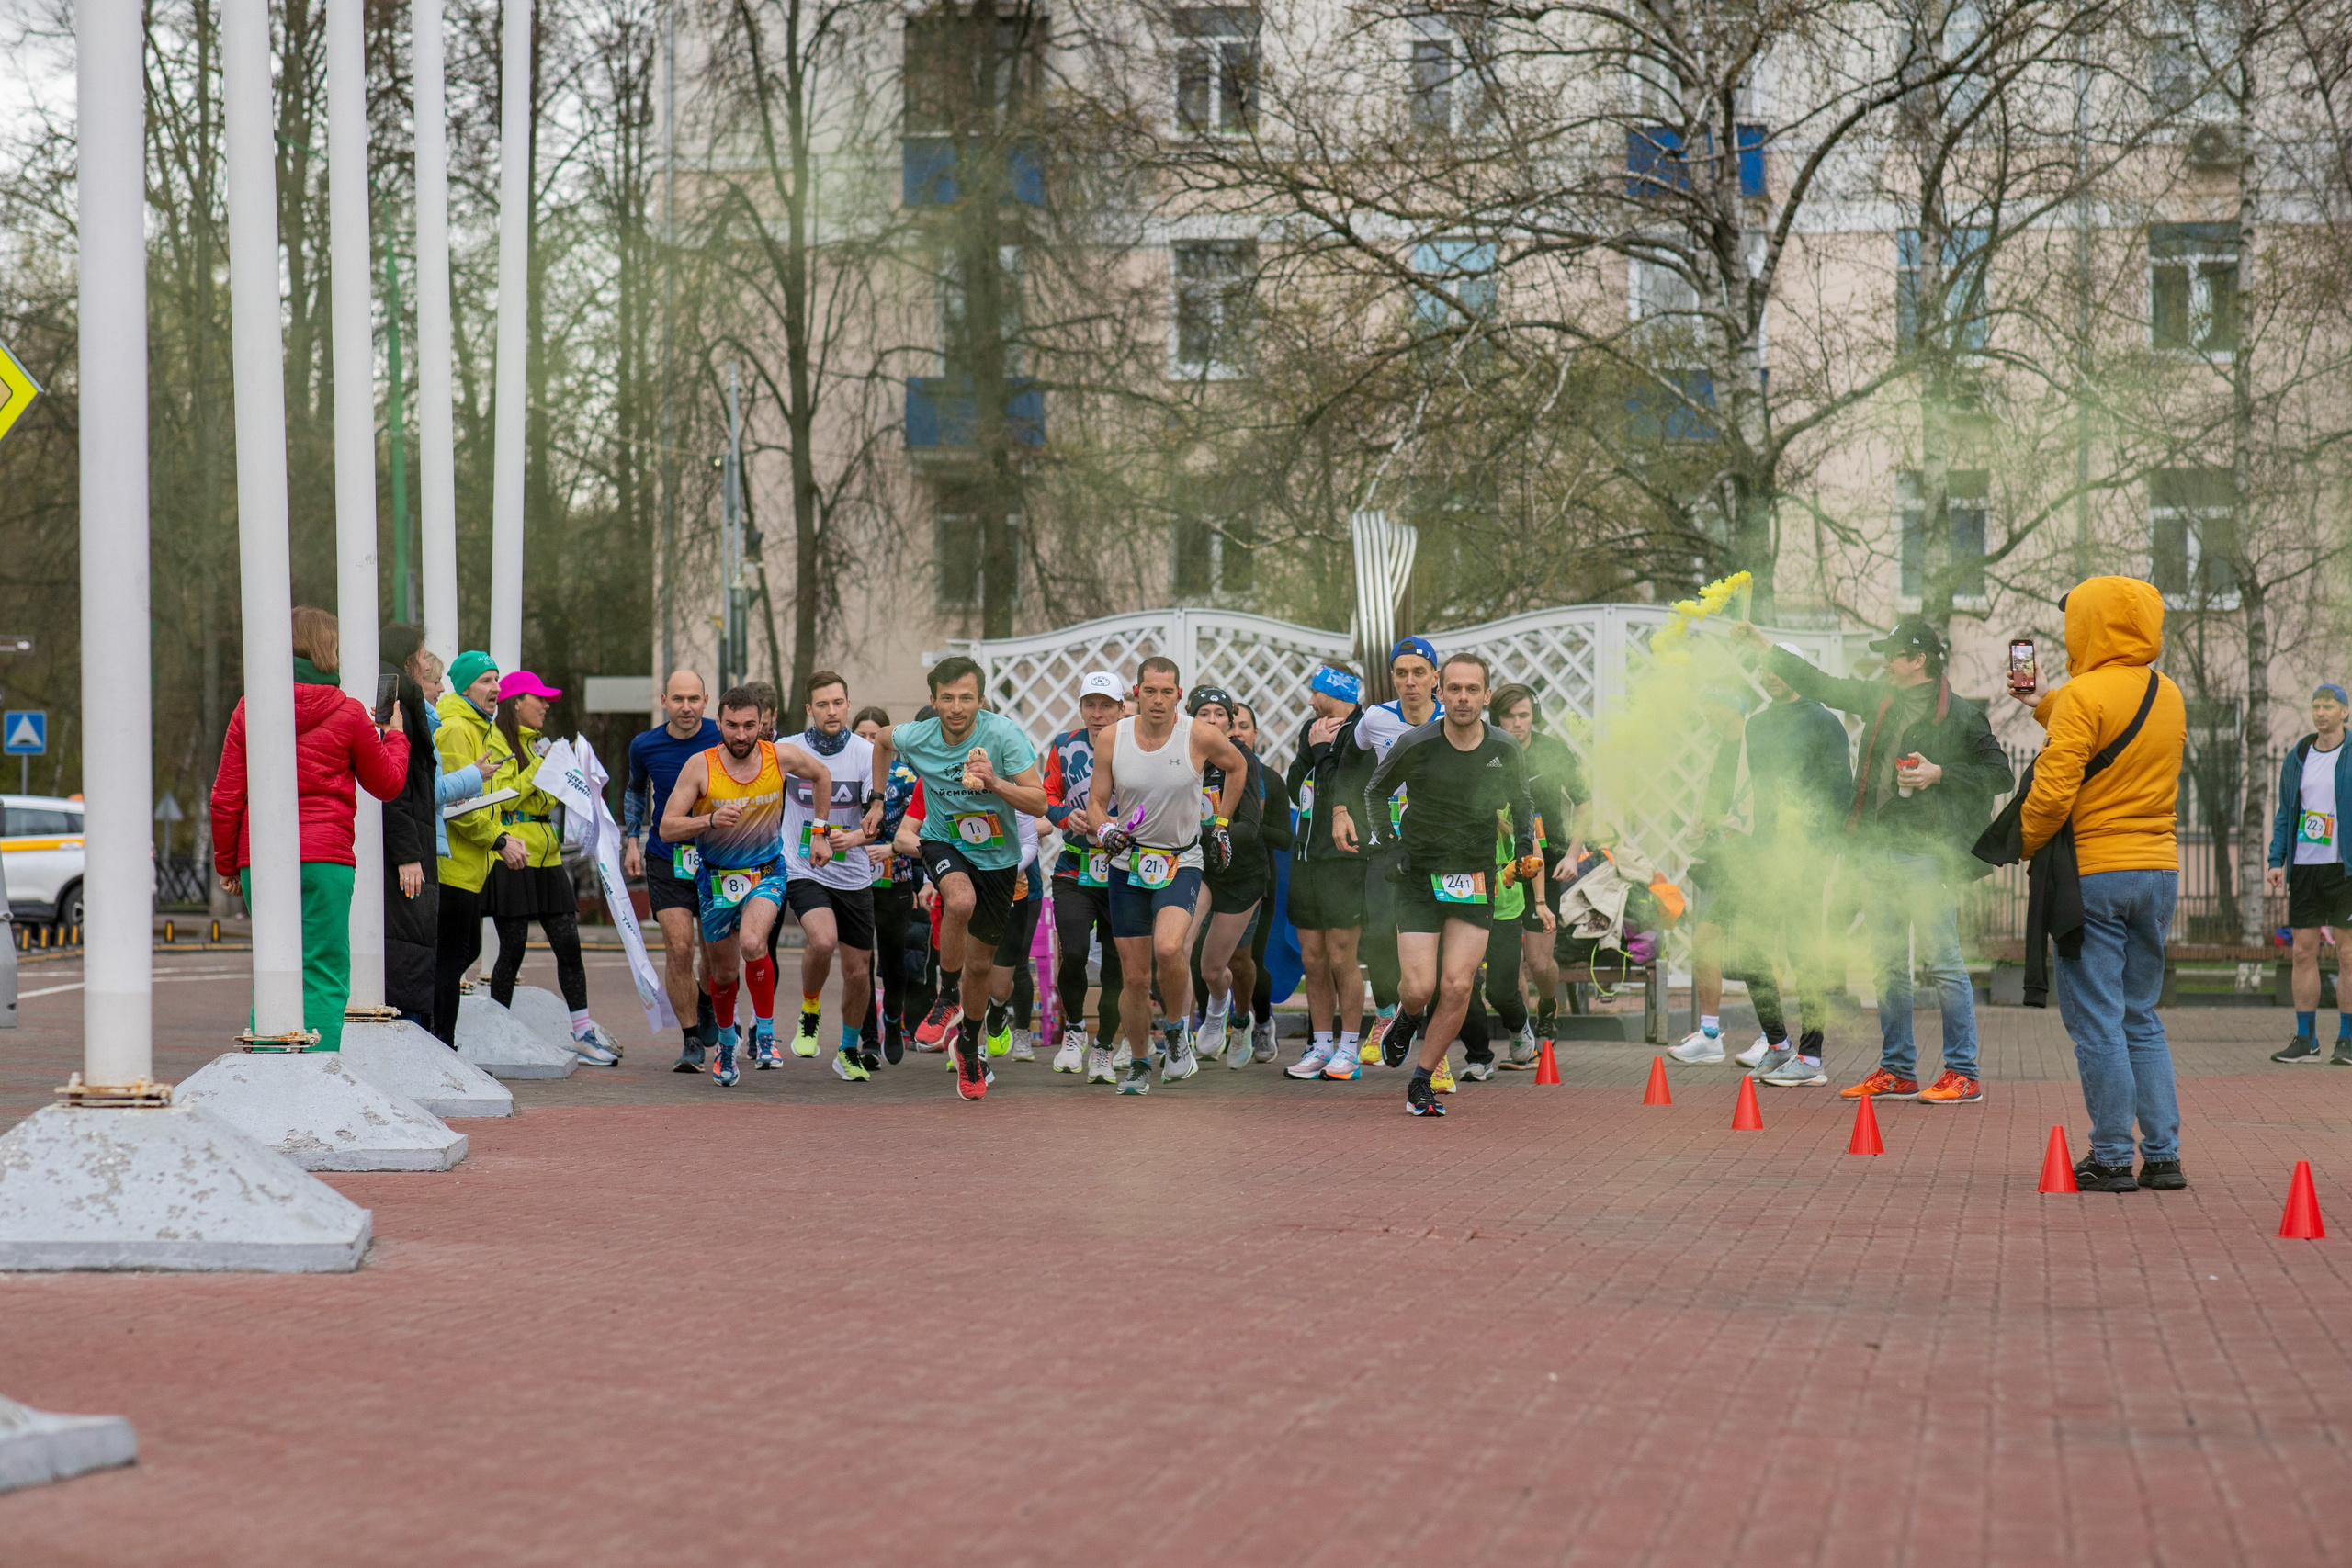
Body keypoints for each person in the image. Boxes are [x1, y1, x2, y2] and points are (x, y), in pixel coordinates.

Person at [1738, 615, 2013, 1103]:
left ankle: (1963, 1072)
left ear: (1918, 661)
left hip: (1929, 857)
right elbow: (1820, 683)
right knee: (1888, 966)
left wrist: (1939, 773)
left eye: (1892, 655)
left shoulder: (1961, 716)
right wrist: (1764, 646)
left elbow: (1999, 774)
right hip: (1877, 853)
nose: (1885, 661)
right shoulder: (1879, 699)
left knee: (1944, 962)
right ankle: (1897, 1071)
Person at [2011, 577, 2188, 1190]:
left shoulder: (2085, 694)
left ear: (2091, 625)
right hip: (2158, 870)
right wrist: (2041, 701)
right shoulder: (2169, 693)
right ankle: (2163, 1155)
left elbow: (2053, 790)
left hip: (2097, 875)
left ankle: (2112, 1156)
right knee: (2141, 1015)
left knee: (2098, 1023)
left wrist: (2023, 842)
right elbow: (2106, 718)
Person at [210, 607, 412, 1051]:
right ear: (326, 651)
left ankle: (267, 1065)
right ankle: (319, 1070)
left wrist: (228, 863)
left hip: (261, 859)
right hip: (326, 860)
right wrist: (394, 735)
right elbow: (388, 783)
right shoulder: (350, 713)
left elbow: (226, 796)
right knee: (323, 970)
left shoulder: (250, 708)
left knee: (274, 968)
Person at [1363, 651, 1538, 1117]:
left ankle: (1422, 1079)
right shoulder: (1415, 743)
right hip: (1419, 876)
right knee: (1419, 988)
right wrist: (1391, 844)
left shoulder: (1504, 748)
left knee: (1459, 986)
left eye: (1472, 690)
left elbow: (1522, 803)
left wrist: (1524, 851)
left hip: (1474, 878)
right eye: (1454, 689)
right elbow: (1375, 793)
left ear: (1485, 695)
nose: (1462, 698)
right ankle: (1409, 1015)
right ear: (1441, 692)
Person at [868, 658, 1048, 1101]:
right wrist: (876, 800)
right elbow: (882, 742)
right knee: (959, 902)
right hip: (943, 843)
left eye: (966, 697)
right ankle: (946, 994)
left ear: (980, 700)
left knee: (983, 965)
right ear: (933, 700)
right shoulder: (918, 735)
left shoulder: (1003, 736)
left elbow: (1041, 803)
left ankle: (968, 1044)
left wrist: (996, 784)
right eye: (946, 698)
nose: (956, 707)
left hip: (999, 859)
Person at [661, 686, 842, 1087]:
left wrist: (819, 832)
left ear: (763, 722)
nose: (741, 735)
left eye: (749, 725)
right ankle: (727, 1043)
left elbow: (822, 775)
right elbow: (668, 826)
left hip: (766, 872)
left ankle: (764, 1032)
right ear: (719, 723)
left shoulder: (779, 757)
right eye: (731, 726)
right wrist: (708, 821)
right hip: (715, 880)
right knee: (723, 974)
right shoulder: (700, 766)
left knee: (753, 944)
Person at [1084, 656, 1250, 1093]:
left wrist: (1220, 824)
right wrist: (1104, 830)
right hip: (1128, 863)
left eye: (1168, 691)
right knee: (1135, 977)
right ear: (1136, 694)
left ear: (1179, 694)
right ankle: (1140, 1061)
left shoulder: (1197, 733)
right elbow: (1097, 801)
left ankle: (1176, 1031)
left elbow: (1238, 766)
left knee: (1170, 946)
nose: (1158, 700)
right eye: (1150, 691)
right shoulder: (1112, 738)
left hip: (1181, 860)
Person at [479, 671, 616, 1065]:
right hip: (511, 853)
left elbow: (549, 799)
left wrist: (570, 768)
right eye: (538, 698)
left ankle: (583, 1033)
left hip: (548, 855)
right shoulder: (496, 741)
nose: (546, 705)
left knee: (568, 945)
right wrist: (539, 766)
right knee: (513, 948)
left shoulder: (539, 744)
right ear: (516, 702)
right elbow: (503, 799)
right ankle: (498, 1032)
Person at [1744, 650, 1858, 1089]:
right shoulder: (1756, 725)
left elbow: (1840, 792)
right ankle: (1777, 1047)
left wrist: (1825, 853)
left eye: (1780, 668)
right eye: (1764, 667)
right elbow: (1762, 791)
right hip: (1765, 853)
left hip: (1808, 854)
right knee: (1751, 949)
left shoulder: (1824, 722)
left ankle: (1811, 1057)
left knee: (1803, 951)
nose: (1770, 676)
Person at [1331, 638, 1443, 1083]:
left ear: (1436, 676)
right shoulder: (1376, 719)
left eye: (1419, 672)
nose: (1410, 682)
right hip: (1387, 837)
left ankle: (1436, 1053)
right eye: (1402, 673)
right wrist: (1341, 810)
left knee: (1437, 950)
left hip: (1440, 844)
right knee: (1378, 932)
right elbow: (1349, 762)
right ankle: (1387, 1015)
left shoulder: (1450, 716)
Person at [782, 671, 888, 1079]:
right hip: (802, 866)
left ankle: (847, 1049)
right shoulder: (787, 749)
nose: (831, 711)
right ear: (810, 709)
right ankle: (810, 1008)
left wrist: (856, 839)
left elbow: (879, 819)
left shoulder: (866, 752)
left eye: (838, 703)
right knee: (823, 941)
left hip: (853, 873)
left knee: (858, 971)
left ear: (848, 704)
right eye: (822, 704)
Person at [623, 671, 721, 1071]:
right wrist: (632, 840)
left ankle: (706, 996)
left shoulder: (722, 736)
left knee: (714, 954)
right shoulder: (645, 744)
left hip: (718, 856)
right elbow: (634, 790)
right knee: (679, 947)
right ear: (664, 700)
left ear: (706, 700)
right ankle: (691, 1040)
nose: (686, 707)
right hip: (667, 856)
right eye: (678, 699)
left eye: (694, 699)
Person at [1486, 683, 1586, 1067]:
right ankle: (1522, 1033)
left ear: (1534, 716)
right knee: (1510, 963)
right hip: (1501, 868)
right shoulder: (1488, 751)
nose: (1517, 724)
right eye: (1509, 716)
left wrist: (1574, 855)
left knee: (1540, 964)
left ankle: (1548, 1006)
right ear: (1497, 718)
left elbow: (1586, 803)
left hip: (1548, 864)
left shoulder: (1553, 751)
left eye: (1524, 715)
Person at [1284, 663, 1372, 1078]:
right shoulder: (1311, 729)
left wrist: (1321, 753)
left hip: (1342, 858)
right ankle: (1320, 1046)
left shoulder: (1363, 730)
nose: (1309, 700)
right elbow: (1293, 784)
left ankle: (1350, 1048)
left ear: (1335, 692)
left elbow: (1347, 785)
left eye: (1315, 692)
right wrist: (1311, 751)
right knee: (1313, 957)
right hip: (1305, 858)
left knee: (1342, 956)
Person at [1041, 672, 1127, 1081]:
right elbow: (1048, 797)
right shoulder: (1064, 745)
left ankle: (1106, 1048)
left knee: (1116, 967)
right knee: (1073, 953)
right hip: (1074, 868)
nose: (1098, 714)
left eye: (1106, 705)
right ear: (1080, 709)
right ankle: (1074, 1030)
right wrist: (1063, 816)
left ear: (1121, 708)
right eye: (1090, 705)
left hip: (1124, 871)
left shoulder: (1136, 744)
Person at [2267, 682, 2352, 1065]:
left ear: (2344, 713)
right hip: (2304, 867)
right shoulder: (2298, 755)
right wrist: (2275, 860)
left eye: (2328, 706)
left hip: (2344, 869)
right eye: (2315, 706)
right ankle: (2306, 1040)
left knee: (2348, 954)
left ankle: (2347, 1042)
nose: (2320, 713)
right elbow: (2286, 810)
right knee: (2302, 952)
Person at [428, 649, 508, 1046]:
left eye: (497, 679)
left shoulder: (484, 725)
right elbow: (458, 803)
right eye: (486, 681)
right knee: (450, 957)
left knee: (465, 950)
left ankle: (438, 1034)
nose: (496, 688)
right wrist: (499, 838)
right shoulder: (457, 727)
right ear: (465, 686)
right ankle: (440, 1040)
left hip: (474, 866)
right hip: (452, 864)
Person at [1185, 686, 1267, 1062]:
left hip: (1241, 872)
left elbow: (1250, 828)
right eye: (1205, 714)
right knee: (1178, 947)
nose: (1213, 721)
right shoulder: (1180, 755)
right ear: (1191, 717)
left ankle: (1232, 1016)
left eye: (1220, 714)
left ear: (1231, 721)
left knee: (1213, 968)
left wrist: (1211, 832)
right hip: (1198, 867)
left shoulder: (1242, 760)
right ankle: (1182, 1037)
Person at [377, 625, 446, 1029]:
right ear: (406, 659)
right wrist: (408, 853)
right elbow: (395, 779)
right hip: (405, 844)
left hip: (406, 836)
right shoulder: (401, 691)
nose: (425, 662)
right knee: (408, 939)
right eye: (421, 654)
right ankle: (412, 1032)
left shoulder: (389, 687)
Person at [854, 705, 924, 1065]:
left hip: (895, 879)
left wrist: (915, 880)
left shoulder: (905, 778)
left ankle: (893, 1022)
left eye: (874, 736)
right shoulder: (846, 774)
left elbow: (920, 831)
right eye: (862, 735)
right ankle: (868, 1039)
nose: (868, 742)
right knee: (859, 961)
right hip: (853, 881)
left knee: (894, 962)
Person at [1231, 701, 1292, 1064]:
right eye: (1229, 725)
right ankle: (1216, 1027)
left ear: (1256, 734)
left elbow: (1285, 838)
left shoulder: (1270, 779)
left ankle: (1263, 1022)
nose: (1235, 732)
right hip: (1210, 878)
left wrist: (1252, 826)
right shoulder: (1204, 773)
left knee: (1250, 958)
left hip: (1258, 880)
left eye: (1243, 725)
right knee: (1201, 958)